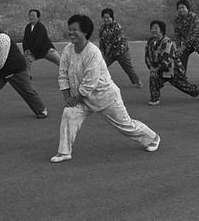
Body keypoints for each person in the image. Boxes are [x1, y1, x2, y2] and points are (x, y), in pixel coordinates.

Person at [50, 14, 160, 163]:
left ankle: (152, 138)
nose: (71, 33)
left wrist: (74, 98)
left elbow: (90, 83)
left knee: (126, 125)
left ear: (85, 32)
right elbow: (62, 75)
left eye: (75, 29)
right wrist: (67, 99)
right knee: (69, 113)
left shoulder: (93, 53)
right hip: (82, 98)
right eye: (69, 29)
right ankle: (64, 152)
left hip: (105, 97)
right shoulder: (68, 50)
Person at [0, 13, 48, 123]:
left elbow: (1, 59)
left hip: (16, 69)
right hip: (0, 70)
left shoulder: (2, 37)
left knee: (27, 91)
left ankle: (42, 110)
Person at [144, 20, 199, 105]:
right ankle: (154, 99)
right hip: (159, 69)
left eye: (156, 28)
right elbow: (147, 57)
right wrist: (151, 68)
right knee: (153, 78)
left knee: (186, 88)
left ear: (162, 30)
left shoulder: (167, 41)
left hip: (173, 70)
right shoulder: (150, 42)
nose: (153, 30)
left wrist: (155, 69)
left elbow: (165, 59)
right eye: (152, 28)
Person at [98, 8, 142, 88]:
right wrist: (102, 52)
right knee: (100, 66)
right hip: (109, 53)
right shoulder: (102, 28)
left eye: (108, 17)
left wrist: (108, 48)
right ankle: (98, 82)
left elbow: (117, 39)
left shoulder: (117, 26)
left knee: (128, 68)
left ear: (112, 17)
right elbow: (101, 41)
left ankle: (137, 82)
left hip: (121, 51)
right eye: (104, 17)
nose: (106, 19)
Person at [22, 9, 61, 78]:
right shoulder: (28, 27)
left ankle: (69, 73)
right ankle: (27, 76)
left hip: (46, 50)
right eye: (30, 15)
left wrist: (30, 51)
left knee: (61, 62)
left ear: (38, 17)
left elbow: (38, 41)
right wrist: (26, 49)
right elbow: (25, 40)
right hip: (34, 51)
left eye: (33, 15)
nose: (31, 17)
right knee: (26, 58)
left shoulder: (41, 27)